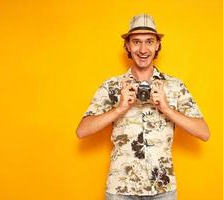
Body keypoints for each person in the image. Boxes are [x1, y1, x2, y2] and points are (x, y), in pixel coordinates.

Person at [76, 14, 211, 200]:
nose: (143, 49)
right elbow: (82, 131)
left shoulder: (174, 86)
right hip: (121, 189)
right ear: (128, 47)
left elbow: (204, 133)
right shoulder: (112, 86)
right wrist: (119, 109)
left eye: (149, 41)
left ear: (157, 46)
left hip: (162, 188)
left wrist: (167, 109)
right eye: (136, 42)